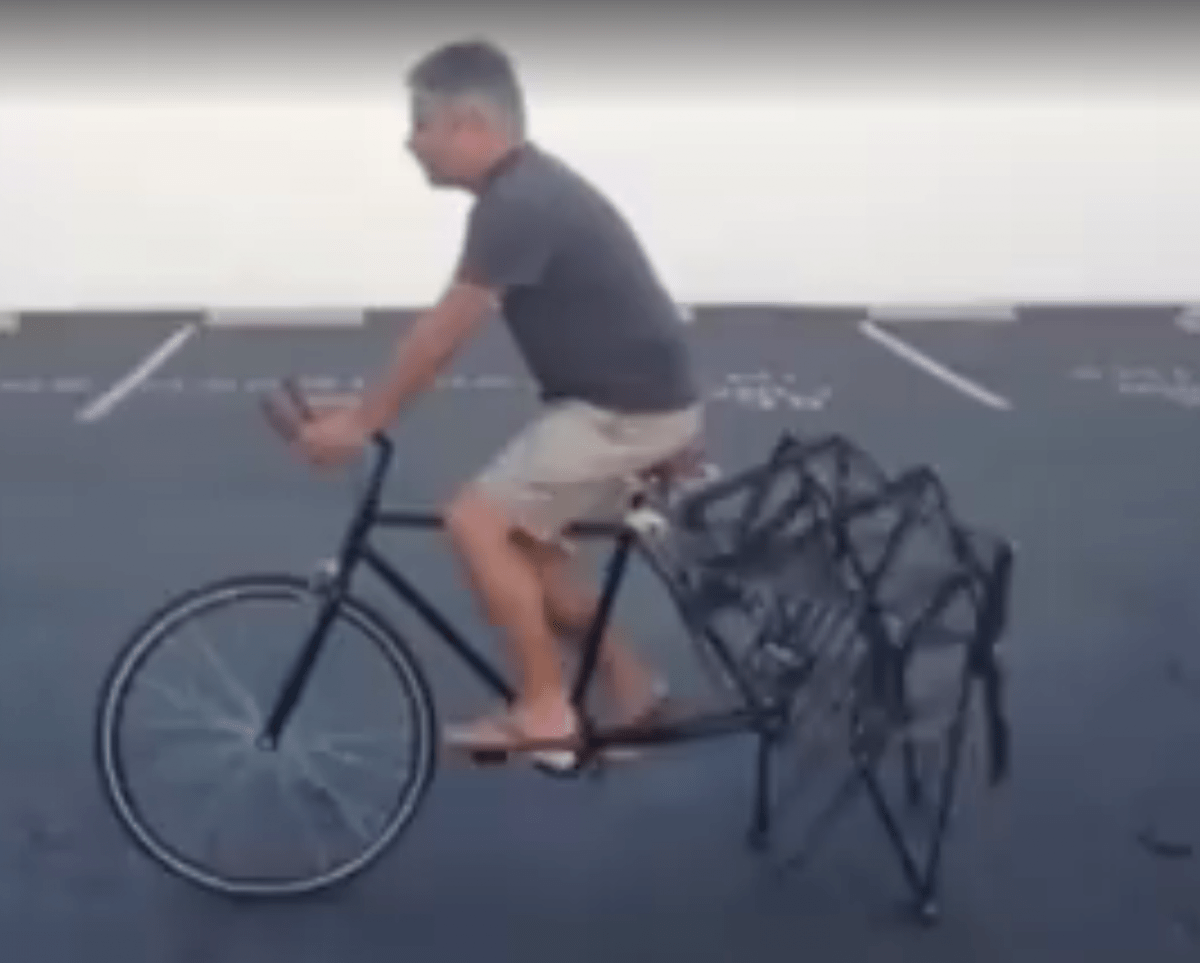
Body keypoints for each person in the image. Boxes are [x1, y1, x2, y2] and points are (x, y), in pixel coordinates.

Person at [294, 38, 704, 764]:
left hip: (624, 412)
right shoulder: (524, 191)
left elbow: (444, 333)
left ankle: (545, 714)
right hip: (635, 402)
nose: (409, 141)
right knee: (527, 551)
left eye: (421, 123)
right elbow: (440, 335)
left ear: (471, 125)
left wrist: (361, 421)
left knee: (474, 521)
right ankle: (634, 686)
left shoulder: (518, 203)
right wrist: (365, 403)